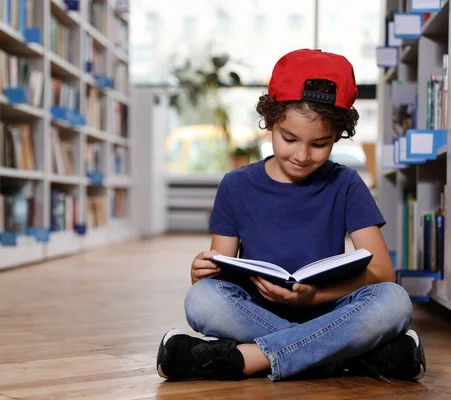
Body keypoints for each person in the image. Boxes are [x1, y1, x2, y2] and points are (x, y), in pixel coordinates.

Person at [155, 49, 426, 383]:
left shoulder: (345, 183)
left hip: (332, 309)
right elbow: (220, 276)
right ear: (270, 121)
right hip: (257, 311)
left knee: (395, 302)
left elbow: (383, 273)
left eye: (320, 143)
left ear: (338, 135)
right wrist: (202, 273)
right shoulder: (236, 184)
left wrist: (316, 296)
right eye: (289, 138)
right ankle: (348, 355)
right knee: (201, 300)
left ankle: (247, 358)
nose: (301, 155)